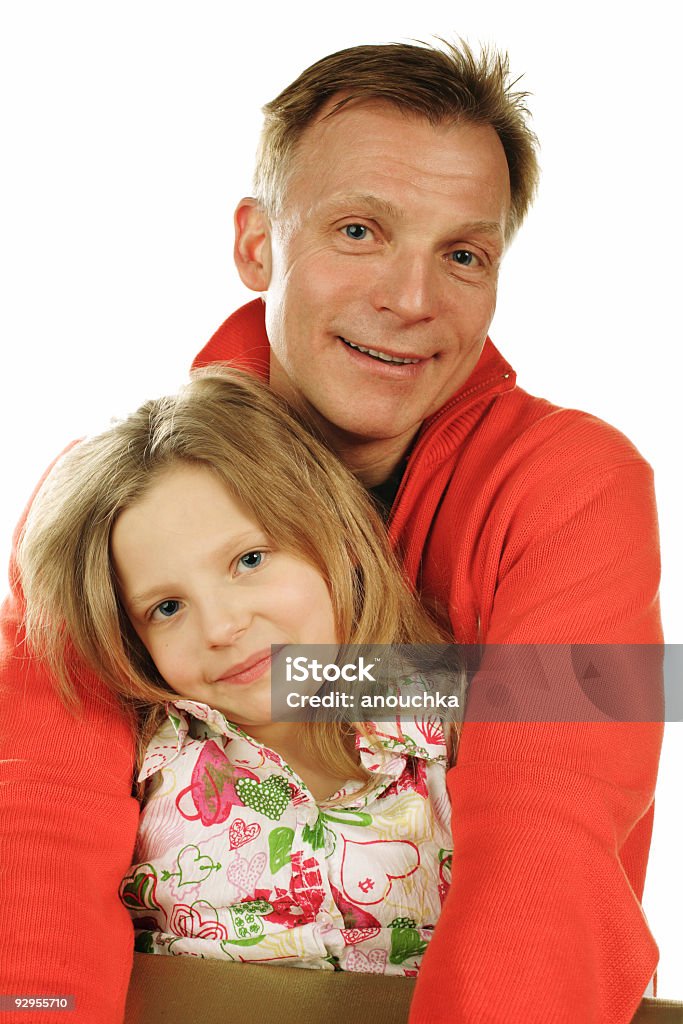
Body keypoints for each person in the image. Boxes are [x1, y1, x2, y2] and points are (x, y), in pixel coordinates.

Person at [0, 39, 662, 1024]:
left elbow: (549, 839)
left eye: (462, 254)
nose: (409, 298)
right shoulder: (109, 500)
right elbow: (40, 821)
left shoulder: (573, 485)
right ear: (256, 243)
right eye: (358, 230)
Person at [17, 368, 461, 975]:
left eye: (249, 560)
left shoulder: (455, 712)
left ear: (336, 535)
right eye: (167, 607)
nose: (221, 627)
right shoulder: (143, 766)